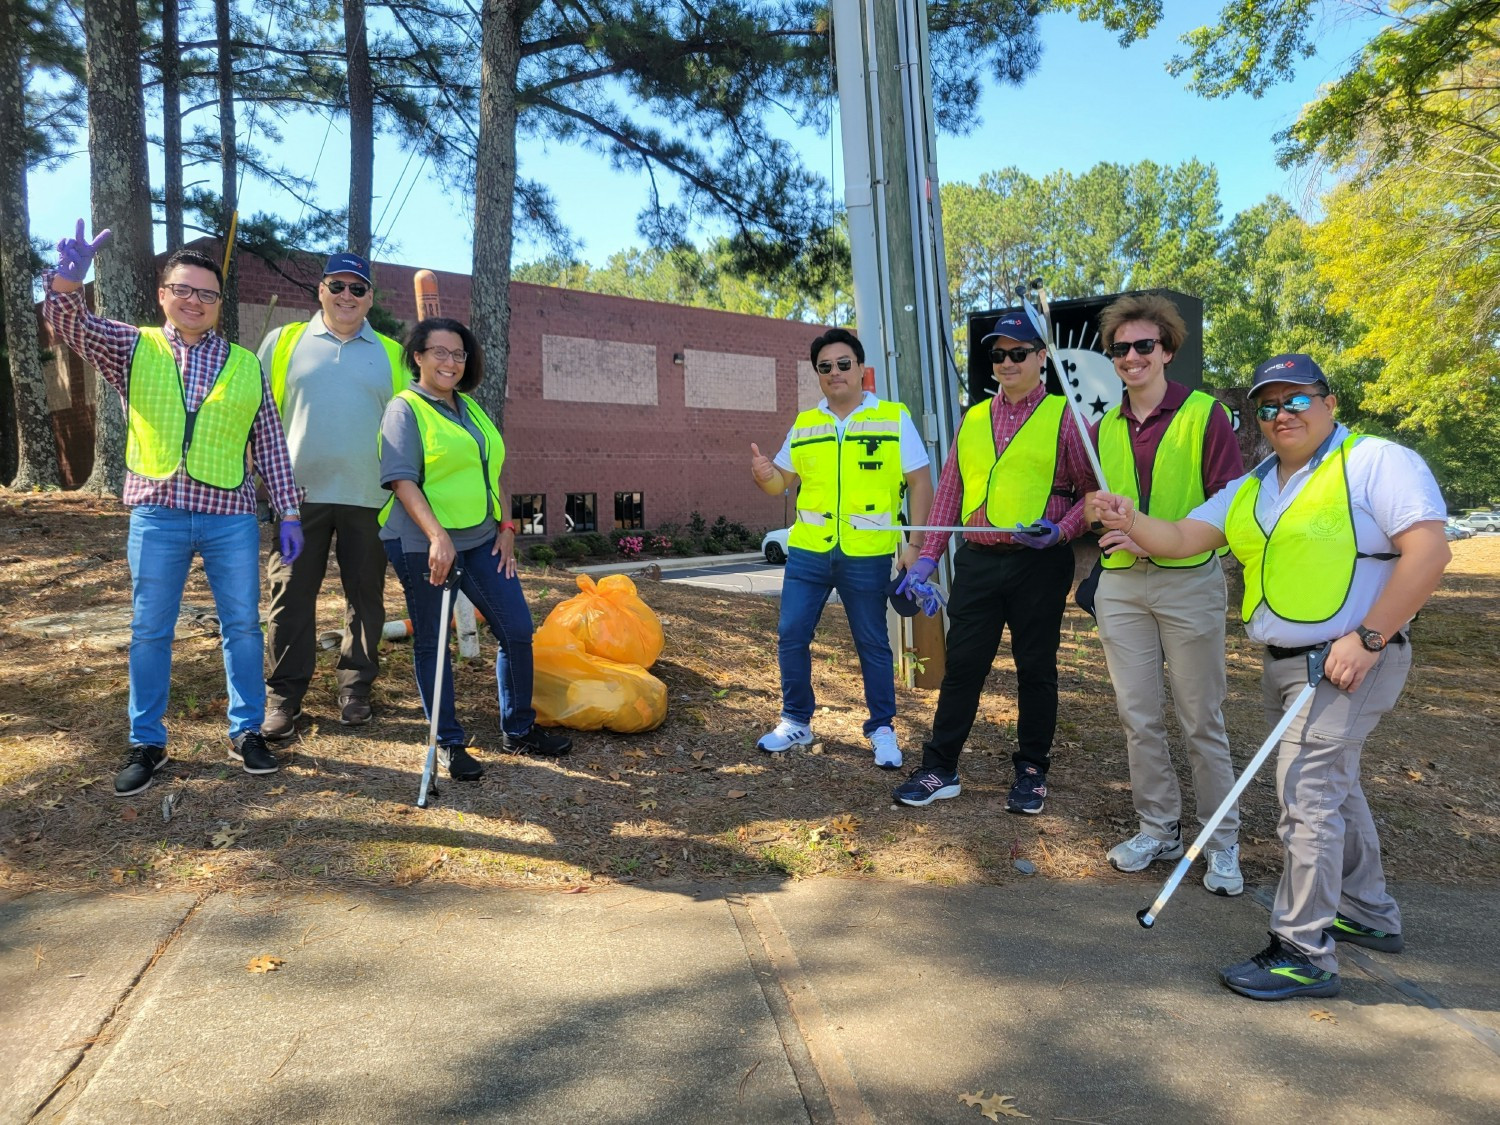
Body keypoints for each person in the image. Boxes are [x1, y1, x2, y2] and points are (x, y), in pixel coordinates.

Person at [1094, 353, 1451, 1001]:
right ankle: (1367, 911)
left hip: (1351, 657)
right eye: (1268, 405)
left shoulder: (1376, 460)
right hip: (1288, 662)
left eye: (1297, 400)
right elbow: (1180, 536)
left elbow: (1430, 549)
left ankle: (1302, 950)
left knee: (1307, 796)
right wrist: (1129, 518)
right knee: (1333, 789)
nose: (1282, 414)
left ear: (1329, 402)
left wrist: (1368, 637)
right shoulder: (1256, 483)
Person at [42, 221, 305, 796]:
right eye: (183, 290)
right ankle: (147, 742)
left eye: (206, 294)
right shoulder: (133, 345)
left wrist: (287, 511)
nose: (194, 301)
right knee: (149, 630)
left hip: (229, 514)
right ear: (163, 294)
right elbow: (69, 325)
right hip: (156, 512)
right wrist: (65, 282)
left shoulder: (243, 363)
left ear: (218, 304)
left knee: (242, 626)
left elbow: (268, 441)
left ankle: (247, 732)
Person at [892, 312, 1097, 813]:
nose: (1007, 362)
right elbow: (947, 496)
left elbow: (1093, 495)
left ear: (1041, 358)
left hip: (1039, 566)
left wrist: (1062, 531)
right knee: (962, 666)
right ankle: (940, 767)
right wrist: (923, 560)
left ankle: (1031, 771)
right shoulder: (974, 419)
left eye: (1018, 353)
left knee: (1036, 671)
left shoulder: (1067, 417)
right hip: (979, 562)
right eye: (998, 354)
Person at [1085, 294, 1246, 895]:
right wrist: (1095, 514)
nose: (1131, 357)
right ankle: (1159, 828)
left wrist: (1157, 542)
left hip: (1188, 583)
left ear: (1167, 350)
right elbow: (1091, 507)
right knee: (1138, 716)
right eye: (1120, 348)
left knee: (1201, 718)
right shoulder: (1102, 426)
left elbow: (1229, 504)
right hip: (1122, 588)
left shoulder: (1205, 415)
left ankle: (1222, 841)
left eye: (1143, 346)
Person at [378, 317, 571, 779]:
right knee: (433, 641)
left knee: (517, 629)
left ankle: (519, 730)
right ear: (418, 357)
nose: (451, 362)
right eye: (440, 352)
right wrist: (437, 537)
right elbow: (401, 480)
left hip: (483, 538)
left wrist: (507, 525)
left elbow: (494, 470)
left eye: (459, 354)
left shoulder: (472, 408)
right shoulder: (405, 409)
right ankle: (447, 742)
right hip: (422, 543)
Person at [749, 328, 933, 769]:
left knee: (872, 641)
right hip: (809, 551)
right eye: (825, 367)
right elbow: (781, 484)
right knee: (792, 635)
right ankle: (796, 720)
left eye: (843, 364)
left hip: (866, 553)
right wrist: (762, 474)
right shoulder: (805, 423)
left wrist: (916, 544)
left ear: (861, 369)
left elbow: (920, 481)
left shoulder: (893, 417)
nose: (835, 373)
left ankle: (882, 728)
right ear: (817, 373)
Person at [258, 252, 407, 737]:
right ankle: (283, 697)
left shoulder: (392, 353)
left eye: (358, 288)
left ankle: (356, 688)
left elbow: (412, 424)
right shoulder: (283, 343)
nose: (347, 296)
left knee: (365, 599)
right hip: (296, 502)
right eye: (337, 286)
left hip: (371, 498)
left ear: (370, 298)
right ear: (320, 290)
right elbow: (256, 415)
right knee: (290, 595)